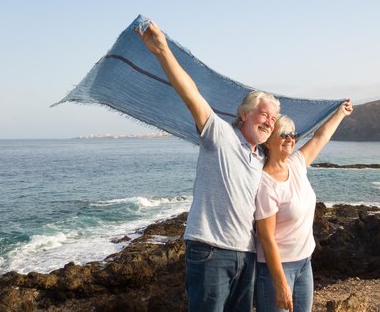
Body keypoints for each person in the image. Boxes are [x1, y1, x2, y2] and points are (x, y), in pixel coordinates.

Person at [137, 21, 280, 311]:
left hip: (247, 253)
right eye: (264, 115)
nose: (269, 122)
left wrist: (336, 116)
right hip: (211, 251)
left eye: (273, 120)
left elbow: (299, 155)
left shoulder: (261, 157)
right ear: (243, 114)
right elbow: (191, 96)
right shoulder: (220, 135)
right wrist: (162, 50)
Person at [254, 100, 353, 312]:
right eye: (283, 134)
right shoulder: (265, 183)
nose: (290, 139)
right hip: (277, 270)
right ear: (268, 141)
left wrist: (340, 114)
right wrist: (280, 283)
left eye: (293, 134)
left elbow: (320, 137)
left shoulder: (296, 164)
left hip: (304, 263)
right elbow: (266, 238)